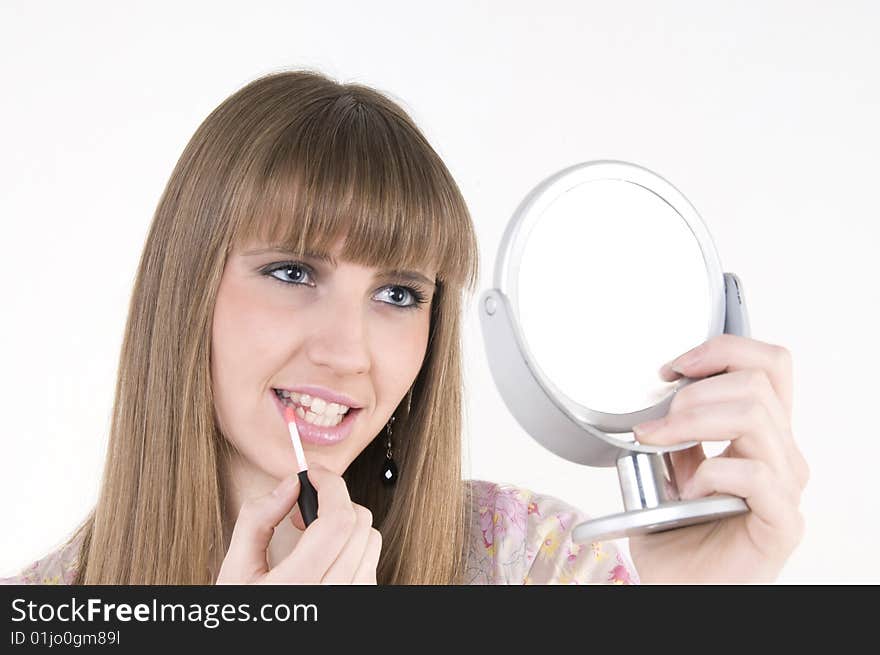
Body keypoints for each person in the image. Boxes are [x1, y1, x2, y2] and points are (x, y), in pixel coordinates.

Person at [0, 70, 808, 585]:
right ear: (186, 289)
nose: (347, 351)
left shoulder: (536, 564)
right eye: (292, 272)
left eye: (397, 293)